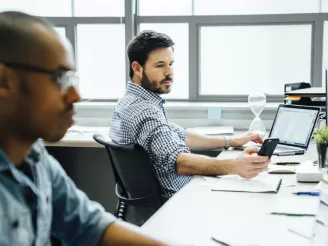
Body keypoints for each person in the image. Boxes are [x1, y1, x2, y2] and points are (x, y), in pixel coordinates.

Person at [0, 11, 168, 246]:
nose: (75, 96)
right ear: (4, 81)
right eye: (59, 78)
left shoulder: (34, 158)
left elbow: (90, 226)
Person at [110, 30, 270, 197]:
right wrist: (234, 166)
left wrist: (231, 141)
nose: (169, 72)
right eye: (160, 65)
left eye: (170, 64)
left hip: (166, 198)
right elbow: (179, 161)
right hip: (175, 200)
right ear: (137, 68)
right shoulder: (144, 111)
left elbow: (181, 136)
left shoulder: (129, 101)